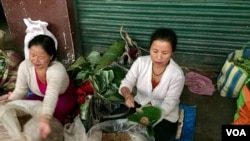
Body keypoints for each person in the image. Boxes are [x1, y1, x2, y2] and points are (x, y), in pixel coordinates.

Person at [0, 34, 77, 139]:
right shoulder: (25, 66)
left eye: (41, 57)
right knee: (21, 107)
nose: (35, 60)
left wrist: (46, 117)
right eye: (32, 55)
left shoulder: (57, 70)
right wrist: (9, 101)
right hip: (39, 96)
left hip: (62, 97)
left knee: (53, 115)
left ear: (51, 56)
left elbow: (51, 94)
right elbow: (20, 91)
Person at [119, 27, 185, 141]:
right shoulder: (141, 63)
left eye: (165, 53)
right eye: (155, 51)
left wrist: (150, 118)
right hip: (138, 105)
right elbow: (127, 82)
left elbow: (170, 102)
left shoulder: (177, 75)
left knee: (154, 137)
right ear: (149, 49)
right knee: (115, 126)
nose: (159, 57)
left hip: (164, 114)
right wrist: (127, 95)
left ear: (172, 53)